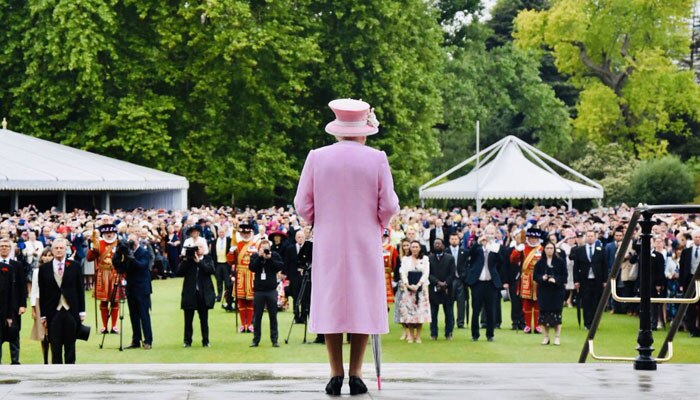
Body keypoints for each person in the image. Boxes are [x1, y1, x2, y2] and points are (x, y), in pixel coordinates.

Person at [294, 98, 399, 396]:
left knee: (331, 302)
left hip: (328, 239)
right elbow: (389, 204)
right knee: (362, 301)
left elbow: (302, 204)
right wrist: (379, 224)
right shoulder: (376, 158)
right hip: (364, 239)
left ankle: (334, 372)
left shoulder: (316, 157)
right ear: (363, 130)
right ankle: (355, 372)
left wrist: (319, 219)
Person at [37, 238, 85, 364]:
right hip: (53, 311)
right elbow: (42, 294)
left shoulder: (75, 266)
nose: (59, 250)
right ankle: (56, 374)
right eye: (56, 248)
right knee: (55, 344)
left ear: (66, 249)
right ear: (52, 250)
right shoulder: (44, 269)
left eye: (61, 248)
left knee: (70, 344)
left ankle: (70, 372)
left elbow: (80, 289)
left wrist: (82, 311)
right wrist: (42, 315)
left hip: (71, 310)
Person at [116, 234, 154, 350]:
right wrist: (119, 256)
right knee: (133, 315)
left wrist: (131, 257)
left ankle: (148, 340)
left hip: (142, 288)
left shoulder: (144, 252)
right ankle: (136, 340)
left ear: (137, 241)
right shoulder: (127, 253)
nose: (131, 243)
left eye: (133, 241)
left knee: (144, 315)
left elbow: (142, 266)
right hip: (131, 287)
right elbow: (121, 269)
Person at [466, 227, 503, 342]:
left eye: (492, 233)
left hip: (491, 283)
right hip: (477, 283)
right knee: (476, 310)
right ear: (484, 233)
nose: (490, 235)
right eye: (488, 233)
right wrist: (478, 242)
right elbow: (469, 254)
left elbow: (501, 261)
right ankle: (475, 334)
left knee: (490, 310)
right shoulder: (477, 247)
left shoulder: (496, 247)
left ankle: (490, 334)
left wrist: (492, 249)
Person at [177, 241, 215, 347]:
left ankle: (206, 341)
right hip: (190, 293)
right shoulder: (188, 261)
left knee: (204, 320)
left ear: (204, 249)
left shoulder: (208, 259)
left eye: (200, 248)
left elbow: (210, 270)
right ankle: (187, 341)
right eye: (196, 248)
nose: (198, 250)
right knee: (188, 320)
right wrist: (185, 258)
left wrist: (199, 262)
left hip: (203, 294)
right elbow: (179, 272)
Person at [86, 224, 122, 334]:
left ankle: (114, 326)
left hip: (116, 273)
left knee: (115, 301)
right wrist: (92, 248)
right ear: (103, 234)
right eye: (107, 233)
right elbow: (89, 258)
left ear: (115, 233)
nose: (109, 235)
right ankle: (105, 326)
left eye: (111, 233)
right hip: (102, 274)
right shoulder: (99, 243)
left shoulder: (120, 244)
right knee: (103, 301)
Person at [248, 239, 284, 347]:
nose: (265, 249)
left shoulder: (275, 255)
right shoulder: (255, 256)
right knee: (257, 316)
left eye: (266, 247)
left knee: (273, 316)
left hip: (271, 290)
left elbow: (280, 266)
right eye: (262, 247)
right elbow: (252, 268)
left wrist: (270, 259)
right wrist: (260, 257)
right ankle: (256, 339)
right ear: (259, 248)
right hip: (259, 291)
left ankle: (274, 340)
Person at [570, 230, 606, 330]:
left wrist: (605, 281)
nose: (590, 238)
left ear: (595, 237)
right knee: (586, 302)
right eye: (588, 236)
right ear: (586, 237)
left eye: (592, 236)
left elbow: (604, 266)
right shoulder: (579, 250)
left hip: (597, 280)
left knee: (596, 302)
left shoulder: (601, 249)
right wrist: (576, 281)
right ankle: (587, 323)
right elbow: (575, 267)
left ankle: (594, 323)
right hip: (584, 280)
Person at [510, 228, 544, 333]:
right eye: (531, 238)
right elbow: (513, 260)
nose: (533, 240)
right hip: (526, 277)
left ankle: (538, 325)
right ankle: (528, 325)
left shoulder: (542, 249)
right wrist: (517, 250)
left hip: (538, 278)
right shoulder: (523, 248)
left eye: (535, 238)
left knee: (538, 302)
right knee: (526, 302)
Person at [534, 241, 567, 345]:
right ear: (544, 250)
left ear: (554, 249)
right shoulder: (540, 262)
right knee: (544, 314)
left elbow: (565, 276)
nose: (549, 250)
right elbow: (535, 276)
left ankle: (557, 337)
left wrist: (555, 280)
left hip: (557, 292)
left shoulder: (560, 261)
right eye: (547, 248)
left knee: (557, 314)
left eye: (551, 248)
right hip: (544, 291)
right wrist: (542, 278)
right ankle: (546, 337)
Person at [399, 241, 431, 343]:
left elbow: (426, 273)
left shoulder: (425, 259)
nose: (414, 249)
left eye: (416, 247)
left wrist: (418, 285)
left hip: (421, 289)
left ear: (420, 248)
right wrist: (407, 284)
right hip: (408, 289)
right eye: (413, 247)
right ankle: (411, 336)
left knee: (420, 313)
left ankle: (418, 336)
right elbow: (402, 272)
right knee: (410, 313)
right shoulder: (405, 259)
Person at [0, 237, 26, 365]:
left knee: (14, 333)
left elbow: (22, 286)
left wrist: (23, 304)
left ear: (10, 249)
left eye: (6, 246)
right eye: (1, 246)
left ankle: (15, 361)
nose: (4, 248)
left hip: (14, 305)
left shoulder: (17, 265)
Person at [228, 223, 258, 333]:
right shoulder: (238, 245)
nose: (245, 235)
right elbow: (230, 261)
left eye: (247, 233)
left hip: (251, 275)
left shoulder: (255, 245)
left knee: (250, 301)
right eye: (243, 233)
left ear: (250, 233)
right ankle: (242, 324)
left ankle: (249, 324)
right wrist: (231, 252)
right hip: (240, 275)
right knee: (241, 300)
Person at [428, 238, 455, 340]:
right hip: (434, 288)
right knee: (433, 313)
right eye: (435, 244)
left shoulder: (450, 258)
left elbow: (452, 274)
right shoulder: (429, 258)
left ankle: (449, 333)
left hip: (447, 289)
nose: (437, 245)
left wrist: (445, 284)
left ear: (443, 245)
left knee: (449, 313)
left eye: (439, 243)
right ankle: (433, 334)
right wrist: (437, 282)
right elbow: (428, 273)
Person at [30, 247, 54, 364]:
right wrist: (33, 308)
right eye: (45, 255)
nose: (47, 257)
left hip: (54, 301)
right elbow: (34, 290)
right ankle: (45, 360)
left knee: (53, 332)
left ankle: (55, 358)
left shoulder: (57, 269)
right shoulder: (37, 271)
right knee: (43, 333)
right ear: (42, 257)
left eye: (50, 255)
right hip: (40, 301)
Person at [679, 229, 700, 337]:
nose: (698, 239)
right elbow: (682, 268)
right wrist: (681, 284)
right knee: (690, 306)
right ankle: (692, 329)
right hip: (689, 281)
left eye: (699, 237)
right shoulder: (686, 251)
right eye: (696, 237)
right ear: (693, 238)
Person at [447, 233, 469, 329]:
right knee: (449, 302)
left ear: (459, 240)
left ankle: (460, 322)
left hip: (461, 280)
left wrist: (464, 275)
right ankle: (450, 322)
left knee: (461, 302)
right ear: (449, 240)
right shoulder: (446, 251)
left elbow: (467, 265)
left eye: (456, 239)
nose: (454, 240)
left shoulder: (464, 251)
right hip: (450, 280)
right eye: (452, 239)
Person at [210, 228, 231, 303]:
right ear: (218, 233)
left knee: (227, 281)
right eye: (220, 232)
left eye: (222, 232)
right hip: (218, 264)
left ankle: (227, 296)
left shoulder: (229, 241)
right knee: (219, 281)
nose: (221, 234)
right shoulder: (214, 242)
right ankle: (219, 296)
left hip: (226, 264)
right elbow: (212, 253)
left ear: (225, 232)